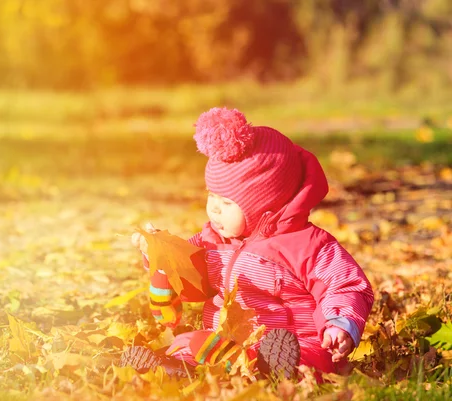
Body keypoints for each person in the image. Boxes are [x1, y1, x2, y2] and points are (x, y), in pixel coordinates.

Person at [131, 107, 374, 377]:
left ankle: (273, 367)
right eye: (211, 196)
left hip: (292, 341)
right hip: (226, 338)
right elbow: (191, 283)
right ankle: (173, 367)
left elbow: (345, 284)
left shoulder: (307, 245)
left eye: (226, 203)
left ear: (266, 204)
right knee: (190, 342)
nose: (214, 209)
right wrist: (160, 253)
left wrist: (338, 324)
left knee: (306, 358)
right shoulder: (211, 239)